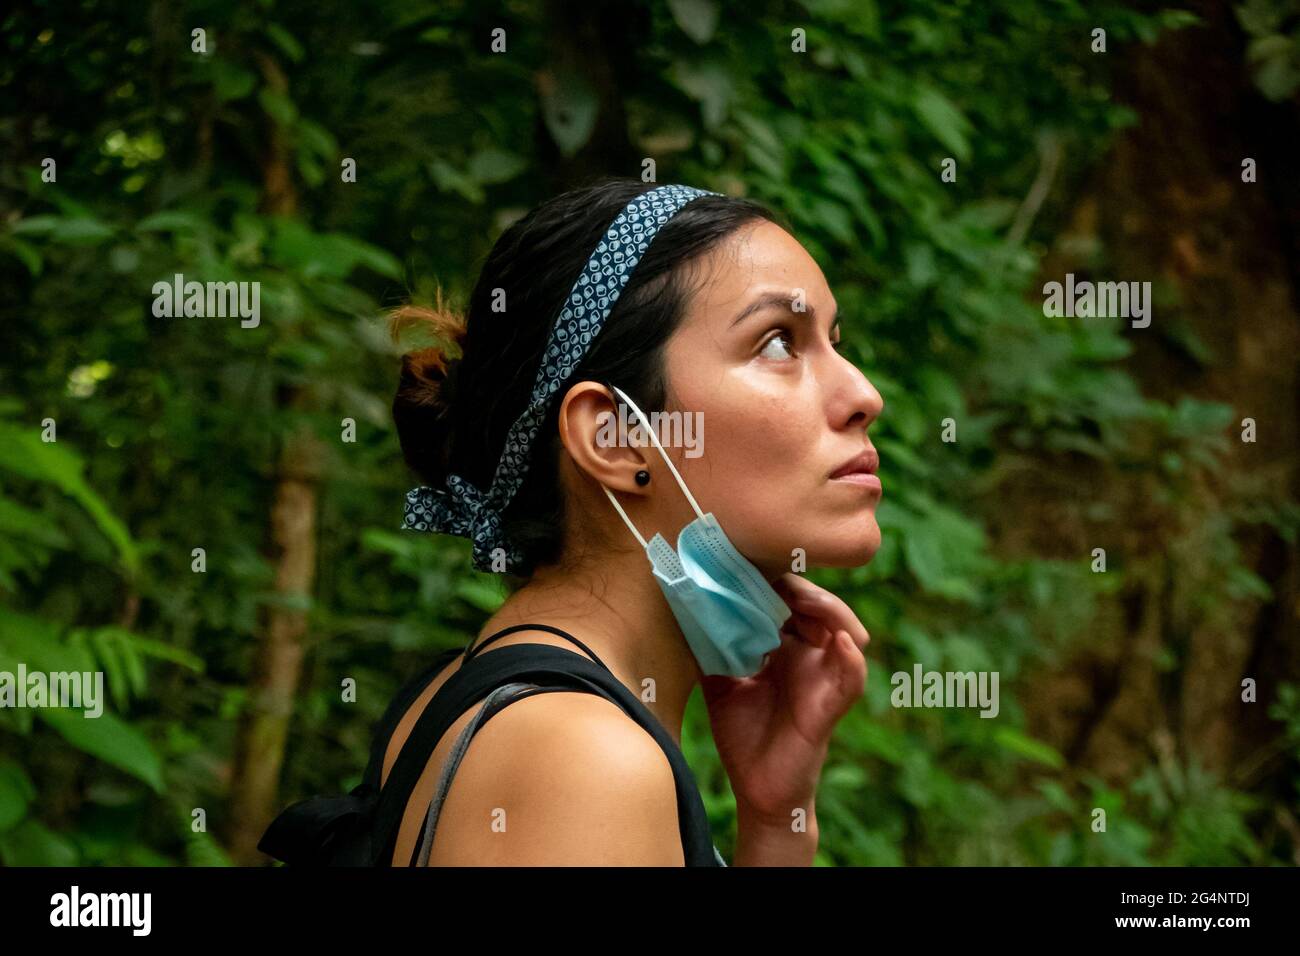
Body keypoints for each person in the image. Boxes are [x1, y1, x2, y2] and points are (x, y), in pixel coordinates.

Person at [385, 177, 883, 866]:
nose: (864, 394)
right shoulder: (584, 756)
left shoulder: (471, 697)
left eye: (832, 341)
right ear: (615, 437)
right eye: (777, 343)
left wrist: (776, 823)